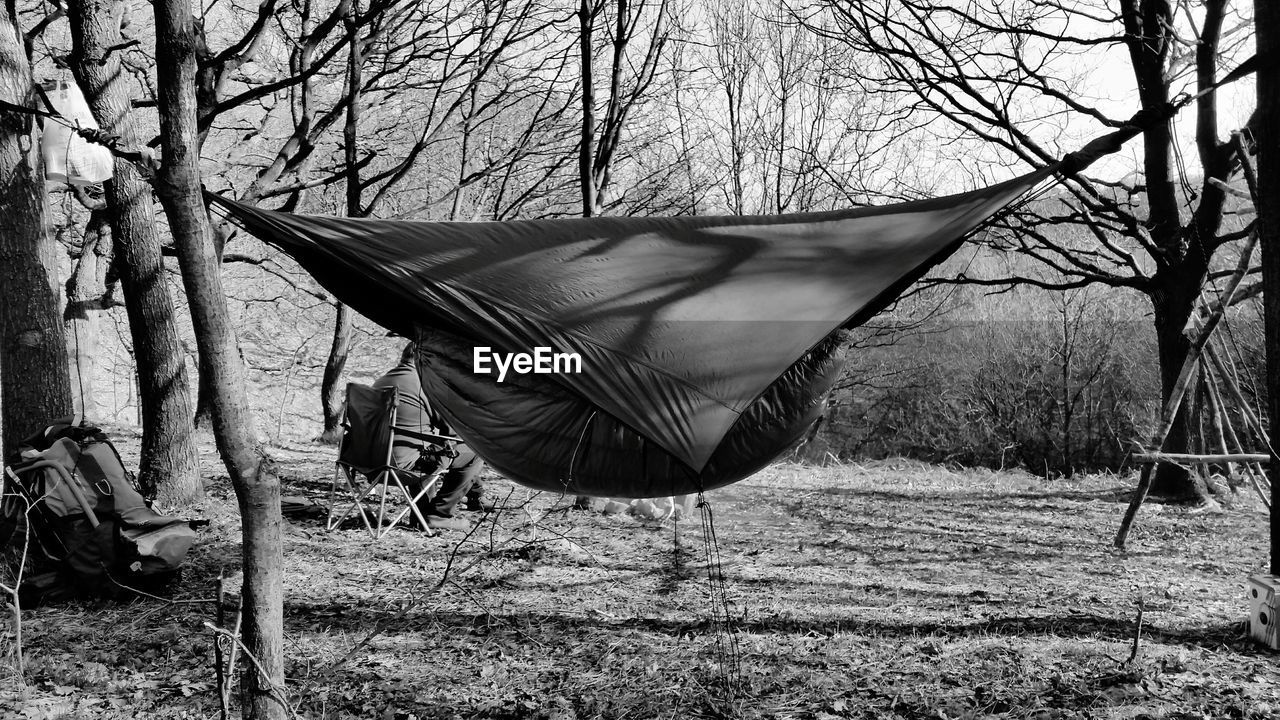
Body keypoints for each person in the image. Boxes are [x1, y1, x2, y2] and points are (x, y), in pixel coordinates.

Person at [373, 342, 492, 531]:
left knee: (418, 445)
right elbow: (453, 429)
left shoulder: (382, 381)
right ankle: (440, 514)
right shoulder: (425, 385)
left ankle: (421, 514)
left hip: (370, 463)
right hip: (403, 465)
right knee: (473, 452)